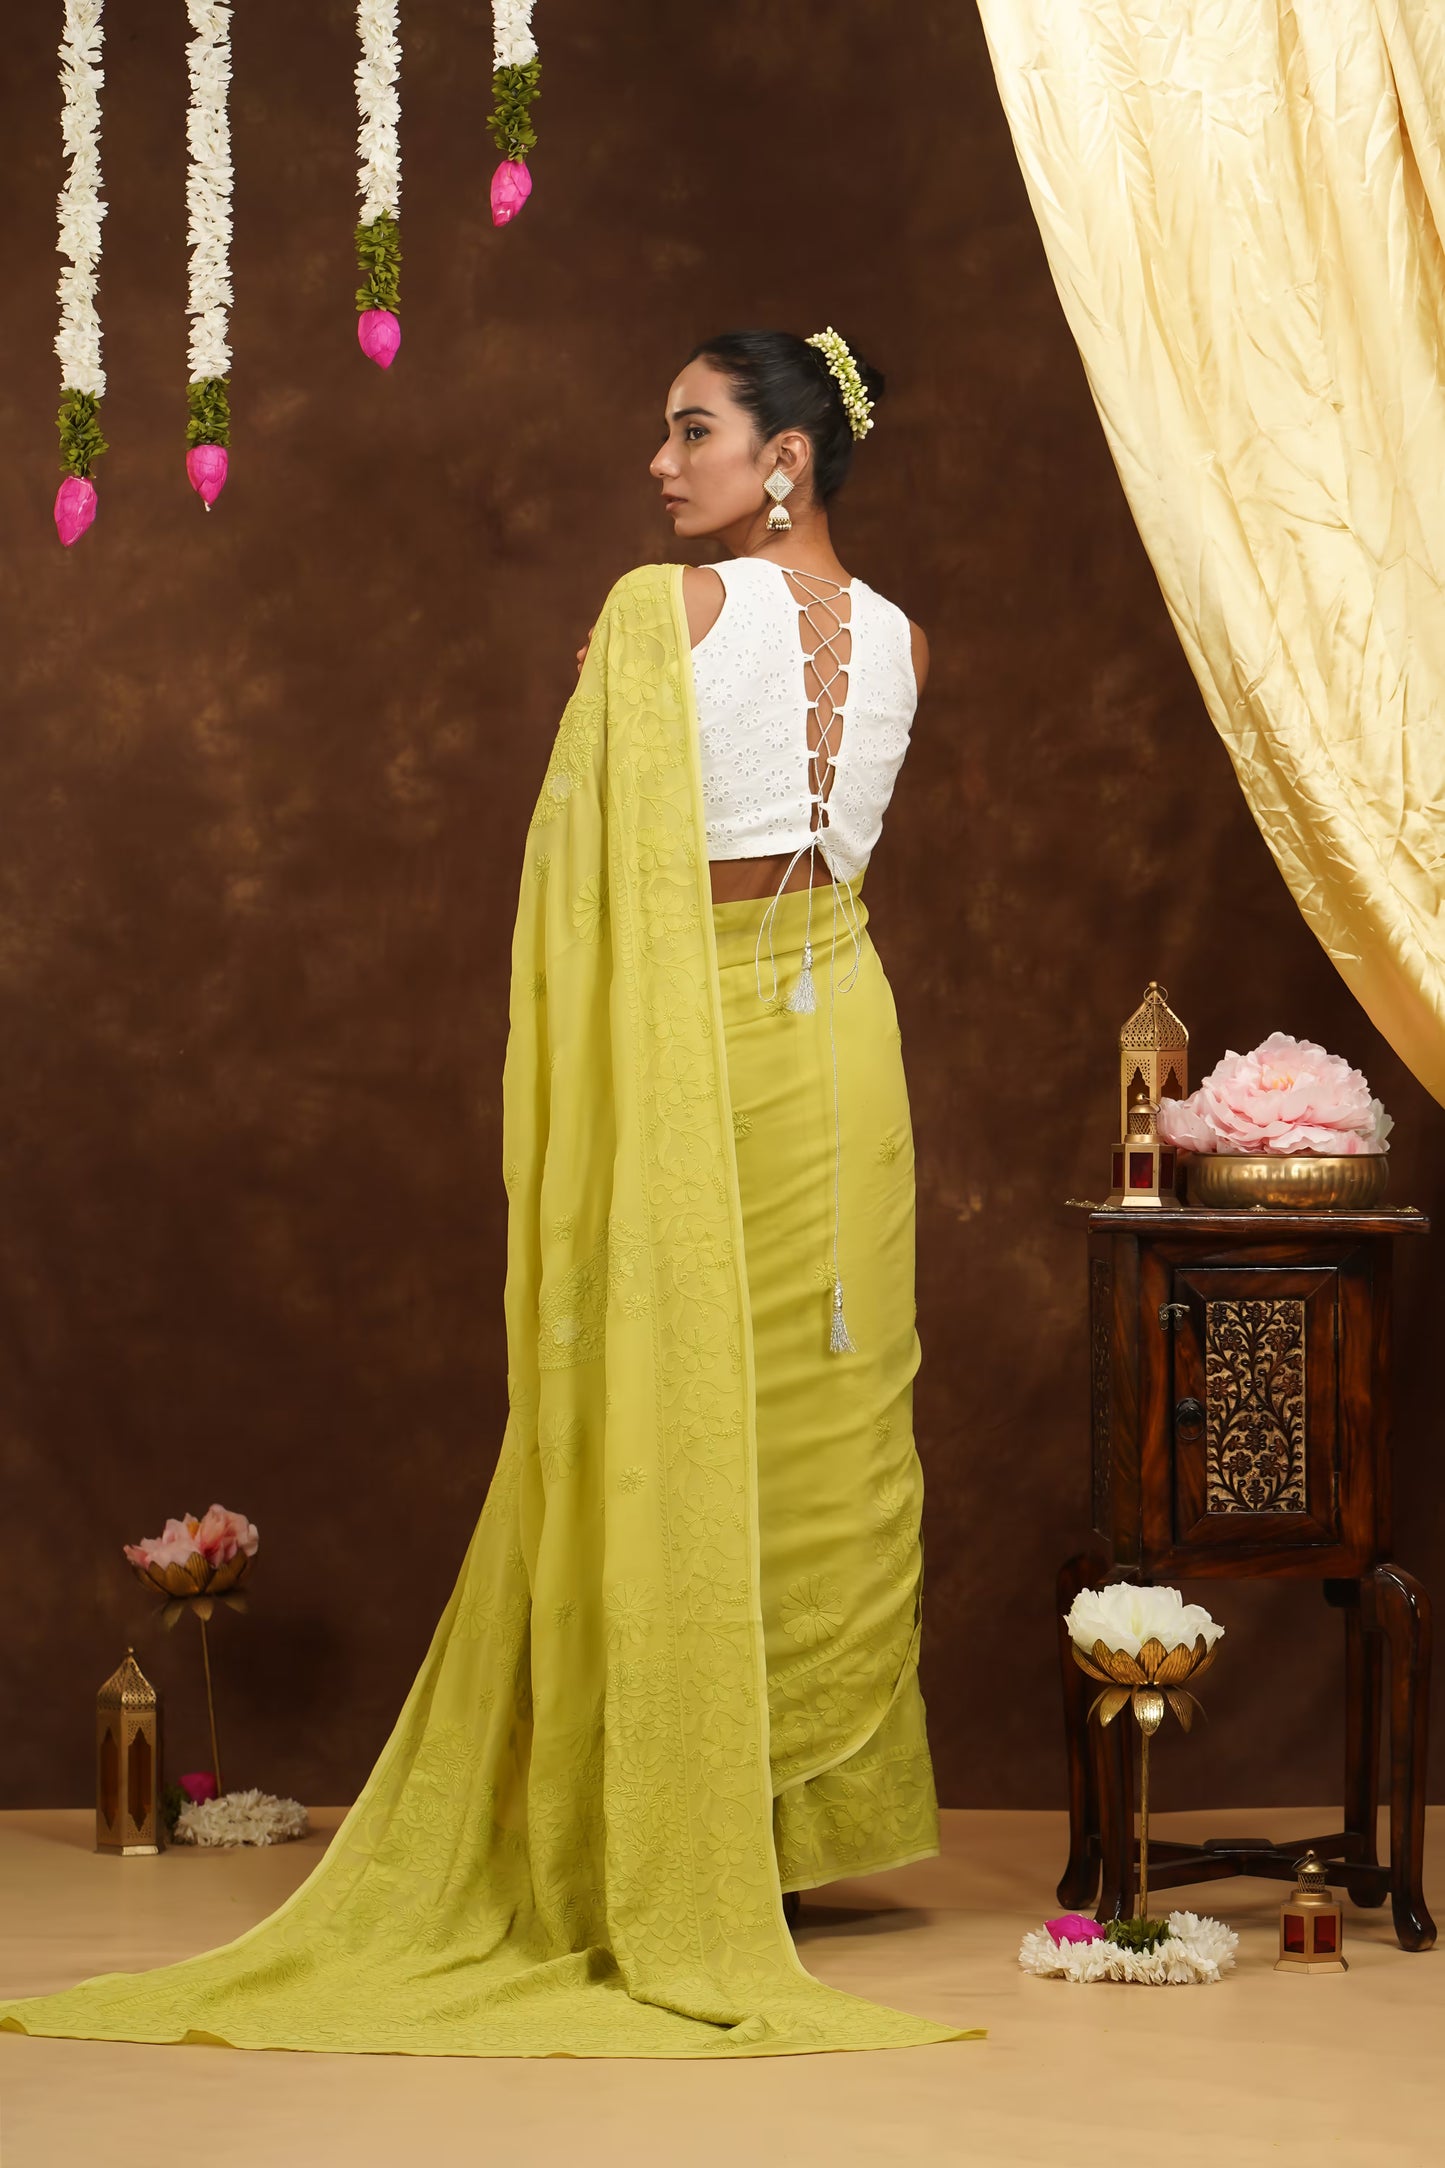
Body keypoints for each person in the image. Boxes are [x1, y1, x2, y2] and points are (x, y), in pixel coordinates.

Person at [0, 328, 976, 2062]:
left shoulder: (655, 615)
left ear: (787, 462)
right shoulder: (906, 639)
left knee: (680, 1407)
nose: (660, 466)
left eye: (693, 432)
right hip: (847, 1050)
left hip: (708, 1029)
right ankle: (776, 1832)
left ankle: (665, 1828)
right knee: (831, 1414)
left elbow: (588, 875)